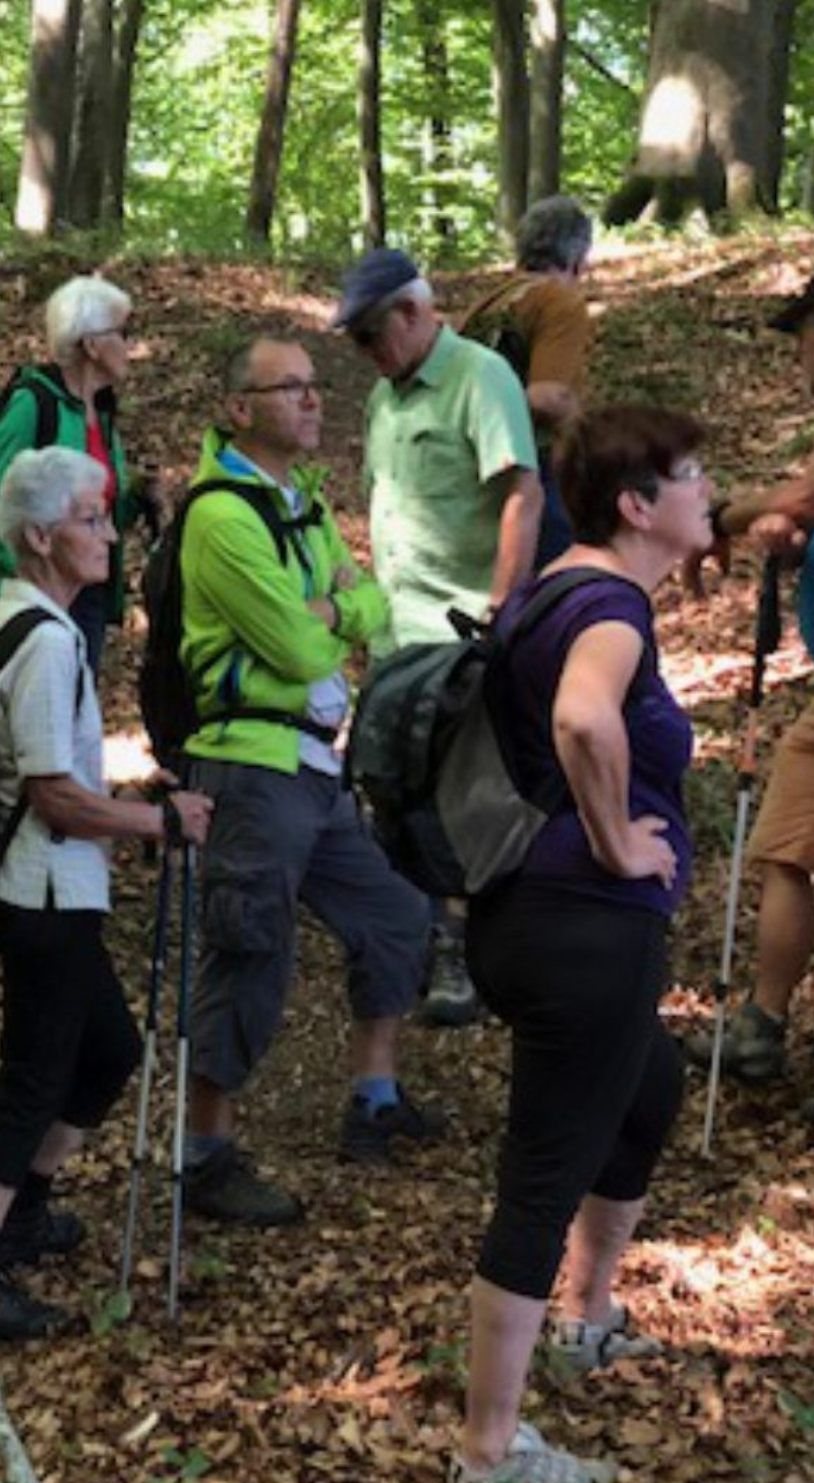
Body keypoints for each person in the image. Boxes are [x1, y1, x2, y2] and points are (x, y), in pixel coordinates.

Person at [453, 406, 710, 1483]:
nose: (709, 491)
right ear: (636, 506)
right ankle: (487, 1447)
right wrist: (615, 842)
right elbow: (580, 722)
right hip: (580, 927)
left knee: (647, 1085)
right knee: (539, 1176)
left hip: (526, 914)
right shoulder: (608, 607)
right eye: (690, 476)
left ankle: (587, 1314)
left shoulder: (552, 585)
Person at [173, 337, 438, 1228]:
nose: (312, 400)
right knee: (250, 947)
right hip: (250, 762)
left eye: (314, 386)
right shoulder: (219, 517)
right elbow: (294, 646)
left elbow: (370, 604)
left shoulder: (304, 505)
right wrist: (331, 615)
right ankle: (204, 1154)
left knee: (396, 916)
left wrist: (330, 611)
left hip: (314, 760)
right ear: (237, 408)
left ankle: (374, 1098)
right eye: (288, 388)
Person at [0, 447, 211, 1338]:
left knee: (106, 1049)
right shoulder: (49, 641)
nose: (106, 535)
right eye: (89, 521)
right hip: (37, 890)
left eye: (104, 518)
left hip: (41, 883)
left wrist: (136, 809)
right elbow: (50, 790)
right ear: (38, 536)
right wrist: (156, 823)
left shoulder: (7, 619)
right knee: (34, 1070)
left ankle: (22, 1204)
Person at [337, 247, 544, 1028]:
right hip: (396, 627)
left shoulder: (478, 377)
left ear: (415, 312)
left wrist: (501, 604)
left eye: (368, 334)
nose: (362, 353)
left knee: (462, 795)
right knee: (396, 787)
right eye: (354, 340)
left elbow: (520, 489)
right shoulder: (383, 398)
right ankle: (413, 941)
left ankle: (462, 953)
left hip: (461, 626)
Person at [688, 265, 814, 1127]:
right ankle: (761, 1025)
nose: (797, 353)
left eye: (801, 335)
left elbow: (803, 496)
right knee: (784, 846)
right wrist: (788, 539)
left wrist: (720, 514)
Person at [0, 275, 161, 672]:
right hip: (39, 598)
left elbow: (94, 513)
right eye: (122, 333)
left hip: (86, 593)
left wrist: (136, 499)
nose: (130, 346)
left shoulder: (101, 415)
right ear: (91, 344)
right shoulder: (32, 406)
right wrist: (31, 580)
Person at [458, 195, 598, 568]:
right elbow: (548, 397)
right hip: (534, 473)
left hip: (473, 472)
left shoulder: (486, 305)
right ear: (578, 256)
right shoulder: (559, 302)